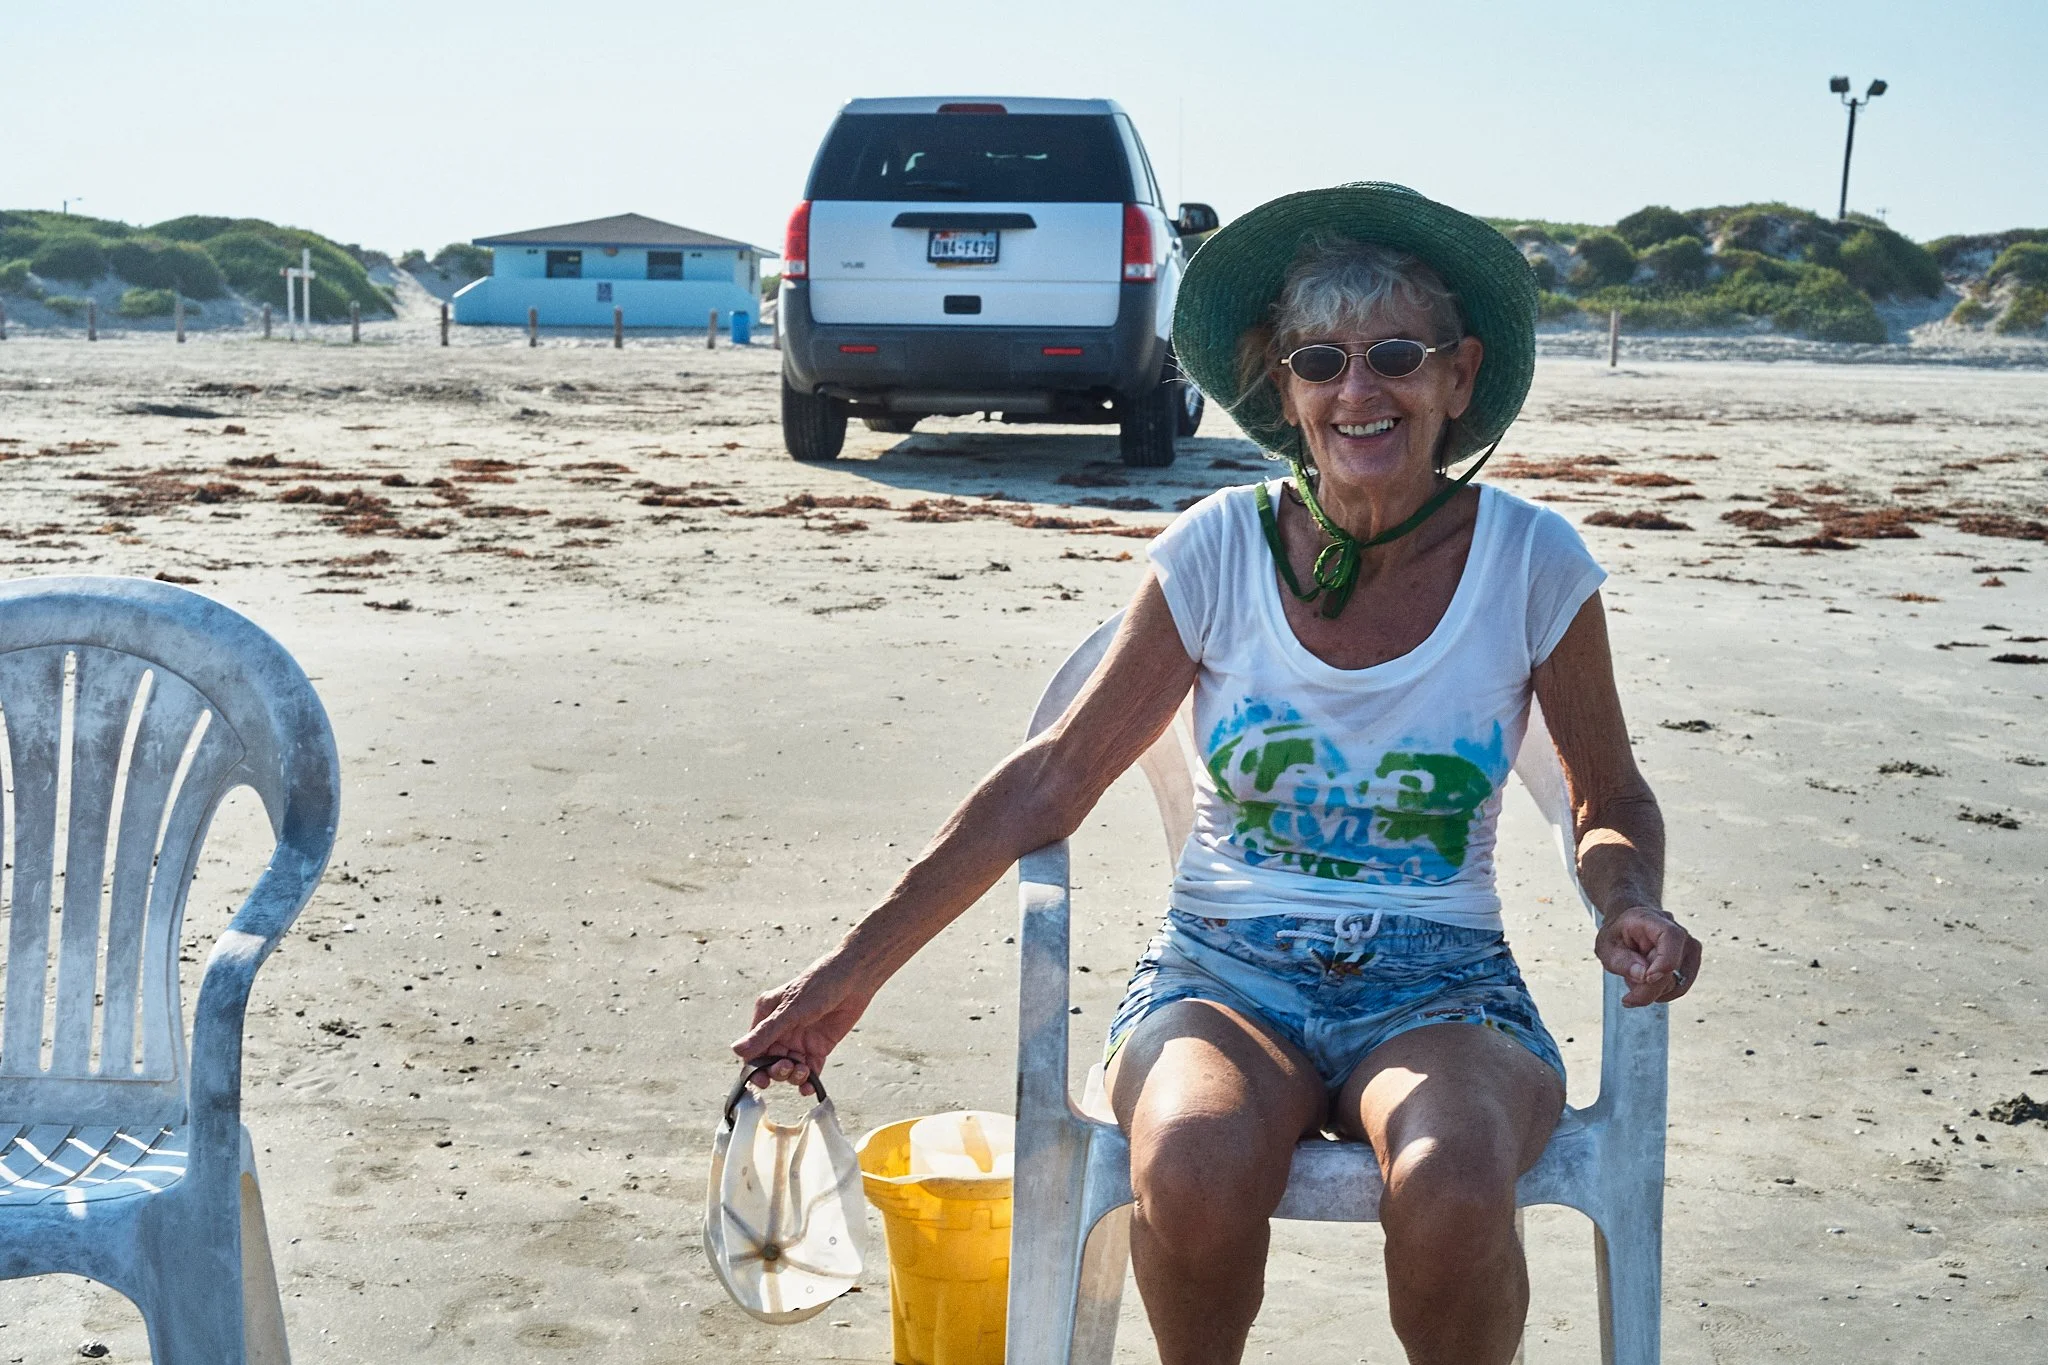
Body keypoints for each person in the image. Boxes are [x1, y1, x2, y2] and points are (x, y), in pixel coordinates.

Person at [734, 183, 1703, 1365]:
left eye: (1395, 355)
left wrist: (1626, 899)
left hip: (1443, 984)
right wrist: (847, 977)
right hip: (1222, 973)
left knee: (1450, 1181)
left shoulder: (1532, 561)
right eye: (1319, 361)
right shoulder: (1212, 550)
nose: (1358, 391)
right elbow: (1052, 781)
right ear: (1282, 390)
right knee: (1189, 1163)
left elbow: (1604, 797)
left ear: (1457, 377)